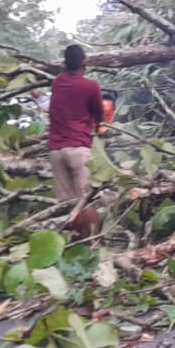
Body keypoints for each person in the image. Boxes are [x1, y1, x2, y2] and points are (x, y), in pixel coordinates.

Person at [47, 44, 107, 236]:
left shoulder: (58, 82)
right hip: (78, 148)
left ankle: (74, 243)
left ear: (64, 64)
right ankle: (93, 243)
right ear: (84, 63)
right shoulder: (90, 86)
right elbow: (99, 116)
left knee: (67, 205)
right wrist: (100, 126)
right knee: (87, 201)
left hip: (56, 151)